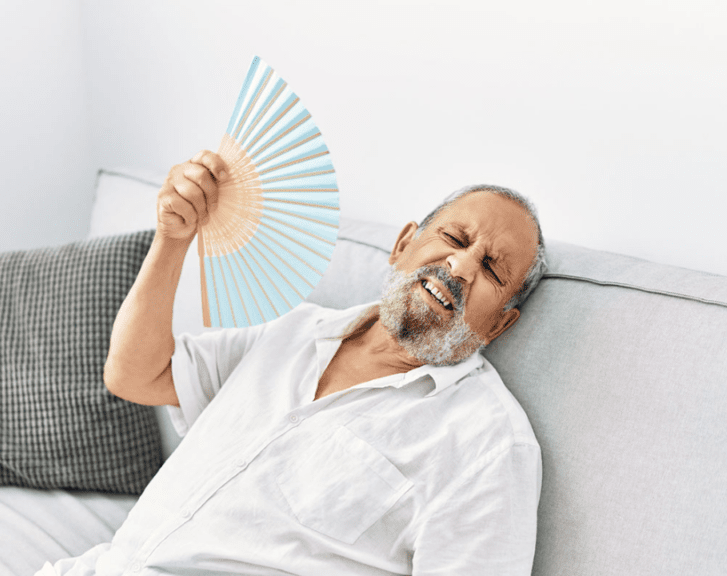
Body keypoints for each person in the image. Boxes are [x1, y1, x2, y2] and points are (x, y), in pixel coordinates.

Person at [37, 150, 546, 575]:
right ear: (402, 244)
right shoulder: (294, 330)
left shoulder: (488, 443)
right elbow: (134, 375)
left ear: (499, 325)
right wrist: (173, 239)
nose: (460, 266)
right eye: (455, 240)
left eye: (491, 269)